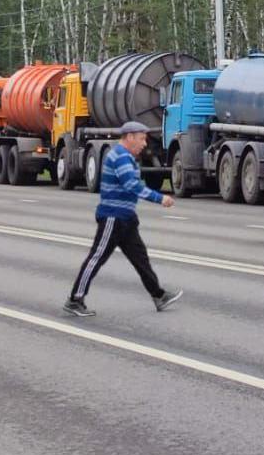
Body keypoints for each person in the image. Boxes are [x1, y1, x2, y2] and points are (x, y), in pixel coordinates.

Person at [63, 121, 183, 316]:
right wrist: (160, 198)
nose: (144, 144)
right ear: (130, 137)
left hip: (125, 219)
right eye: (142, 139)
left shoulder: (126, 157)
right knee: (96, 258)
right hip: (113, 218)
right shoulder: (119, 157)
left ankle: (159, 295)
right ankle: (75, 300)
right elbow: (132, 186)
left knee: (141, 259)